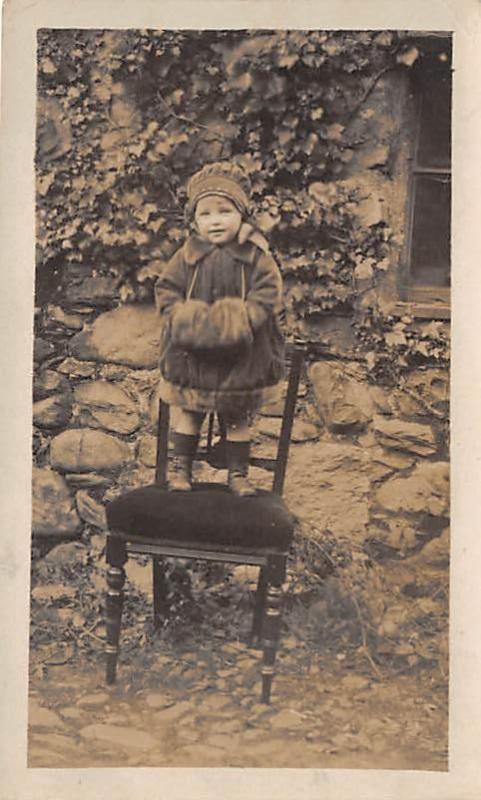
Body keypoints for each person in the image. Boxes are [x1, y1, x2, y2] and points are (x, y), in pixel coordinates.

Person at [154, 161, 285, 496]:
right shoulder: (186, 256)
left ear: (241, 215)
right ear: (195, 221)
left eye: (224, 211)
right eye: (206, 214)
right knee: (190, 414)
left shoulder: (255, 256)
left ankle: (238, 475)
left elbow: (268, 292)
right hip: (192, 355)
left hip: (241, 355)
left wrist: (242, 318)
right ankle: (181, 470)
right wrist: (181, 317)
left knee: (238, 418)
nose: (215, 221)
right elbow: (167, 289)